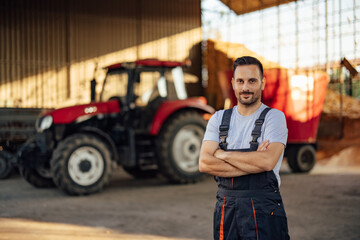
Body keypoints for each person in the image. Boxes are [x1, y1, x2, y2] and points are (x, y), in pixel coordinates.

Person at [199, 56, 290, 240]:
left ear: (262, 83)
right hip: (227, 211)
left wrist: (222, 154)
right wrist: (252, 162)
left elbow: (266, 162)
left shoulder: (274, 118)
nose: (245, 88)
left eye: (252, 81)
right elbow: (205, 164)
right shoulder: (218, 119)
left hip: (264, 210)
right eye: (240, 81)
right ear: (233, 83)